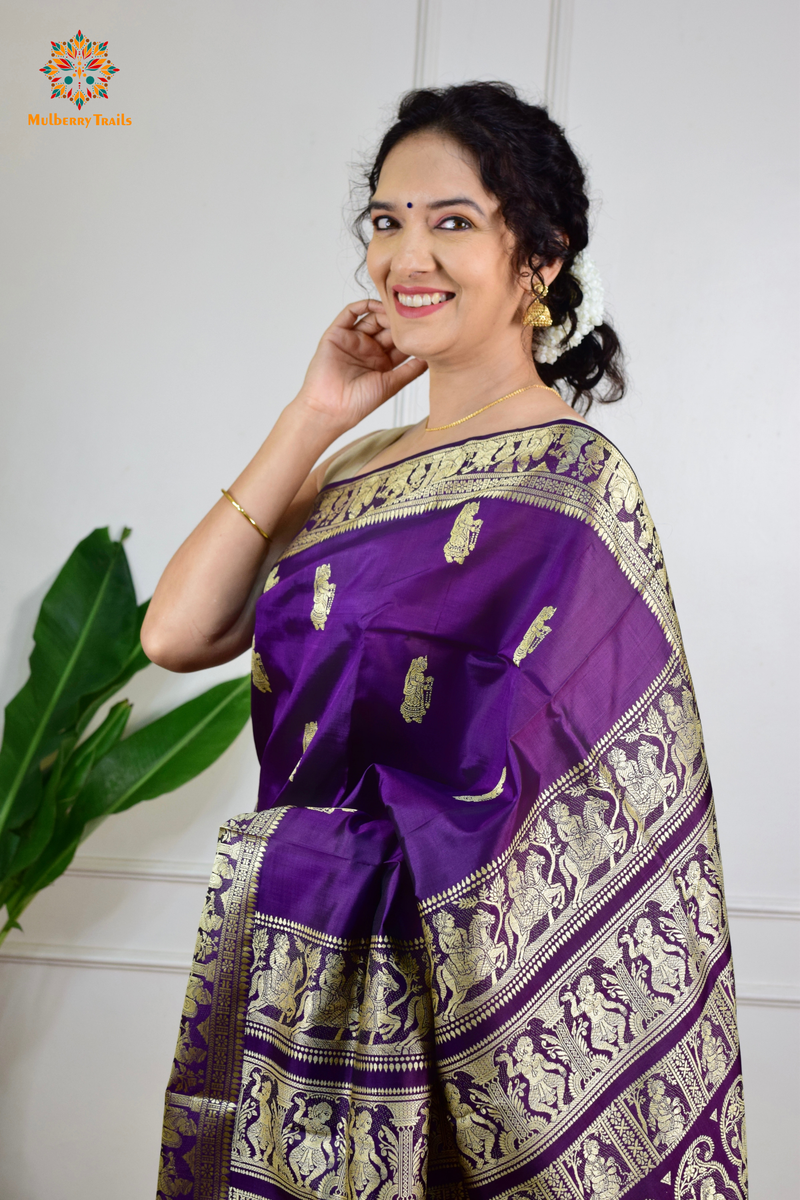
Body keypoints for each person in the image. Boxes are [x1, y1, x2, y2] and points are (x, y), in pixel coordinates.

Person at [145, 82, 745, 1199]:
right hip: (308, 977)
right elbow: (177, 631)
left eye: (451, 221)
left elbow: (554, 801)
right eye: (386, 221)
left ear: (541, 260)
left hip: (472, 1008)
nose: (405, 254)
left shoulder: (571, 481)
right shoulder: (346, 470)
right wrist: (316, 411)